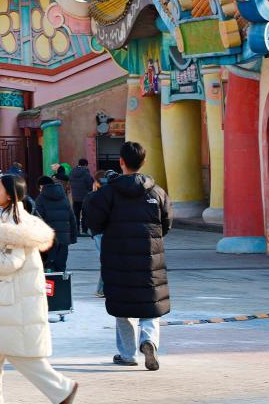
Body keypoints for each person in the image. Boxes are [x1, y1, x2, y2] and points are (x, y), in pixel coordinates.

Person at [0, 174, 79, 404]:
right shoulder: (9, 220)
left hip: (11, 301)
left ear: (9, 195)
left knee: (17, 354)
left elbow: (10, 263)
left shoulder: (14, 226)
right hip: (4, 298)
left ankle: (62, 389)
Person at [85, 141, 172, 371]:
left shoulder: (108, 192)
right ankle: (149, 341)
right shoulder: (157, 192)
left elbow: (94, 222)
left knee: (122, 304)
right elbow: (166, 224)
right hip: (149, 257)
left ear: (121, 162)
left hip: (118, 257)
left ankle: (127, 354)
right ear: (144, 162)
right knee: (151, 302)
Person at [34, 175, 77, 272]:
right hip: (63, 240)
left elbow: (38, 220)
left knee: (48, 269)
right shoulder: (63, 197)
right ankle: (61, 282)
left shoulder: (40, 199)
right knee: (61, 268)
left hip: (48, 241)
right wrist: (73, 237)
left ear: (41, 186)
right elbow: (72, 218)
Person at [83, 171, 117, 298]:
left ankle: (102, 289)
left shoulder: (92, 196)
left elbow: (86, 214)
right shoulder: (113, 196)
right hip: (108, 232)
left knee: (106, 261)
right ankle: (102, 289)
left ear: (97, 183)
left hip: (98, 232)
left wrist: (89, 230)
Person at [68, 159, 94, 235]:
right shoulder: (86, 172)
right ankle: (84, 230)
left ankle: (77, 231)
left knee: (76, 215)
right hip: (85, 197)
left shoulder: (72, 172)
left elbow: (70, 182)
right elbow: (90, 184)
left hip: (75, 197)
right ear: (85, 164)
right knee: (85, 214)